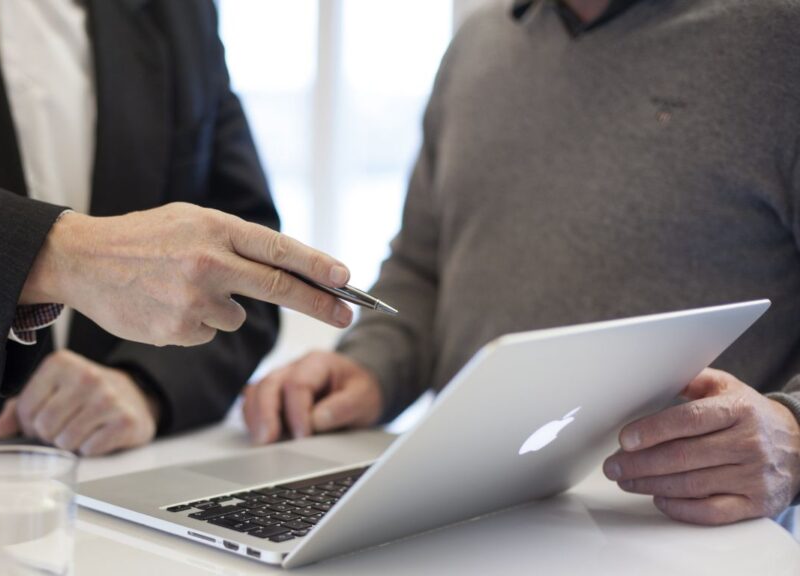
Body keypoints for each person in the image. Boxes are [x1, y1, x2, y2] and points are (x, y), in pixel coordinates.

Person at [0, 0, 355, 511]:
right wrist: (65, 255)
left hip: (106, 510)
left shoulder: (178, 10)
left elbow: (242, 267)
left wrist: (144, 386)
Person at [243, 0, 800, 528]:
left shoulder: (779, 38)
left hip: (688, 536)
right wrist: (370, 368)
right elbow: (422, 268)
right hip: (459, 517)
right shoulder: (477, 47)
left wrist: (792, 431)